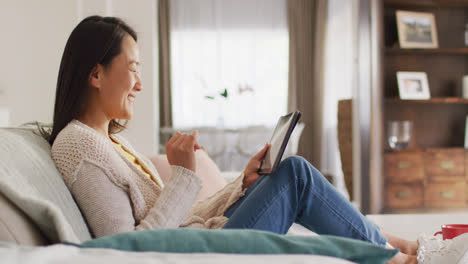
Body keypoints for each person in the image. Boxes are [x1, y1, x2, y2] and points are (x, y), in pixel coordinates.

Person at [49, 16, 417, 264]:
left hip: (197, 242)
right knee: (295, 176)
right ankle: (387, 252)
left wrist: (241, 183)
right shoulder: (79, 145)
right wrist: (183, 176)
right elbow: (131, 250)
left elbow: (184, 219)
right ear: (95, 74)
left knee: (289, 174)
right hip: (193, 257)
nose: (140, 84)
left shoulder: (112, 143)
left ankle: (384, 245)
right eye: (133, 69)